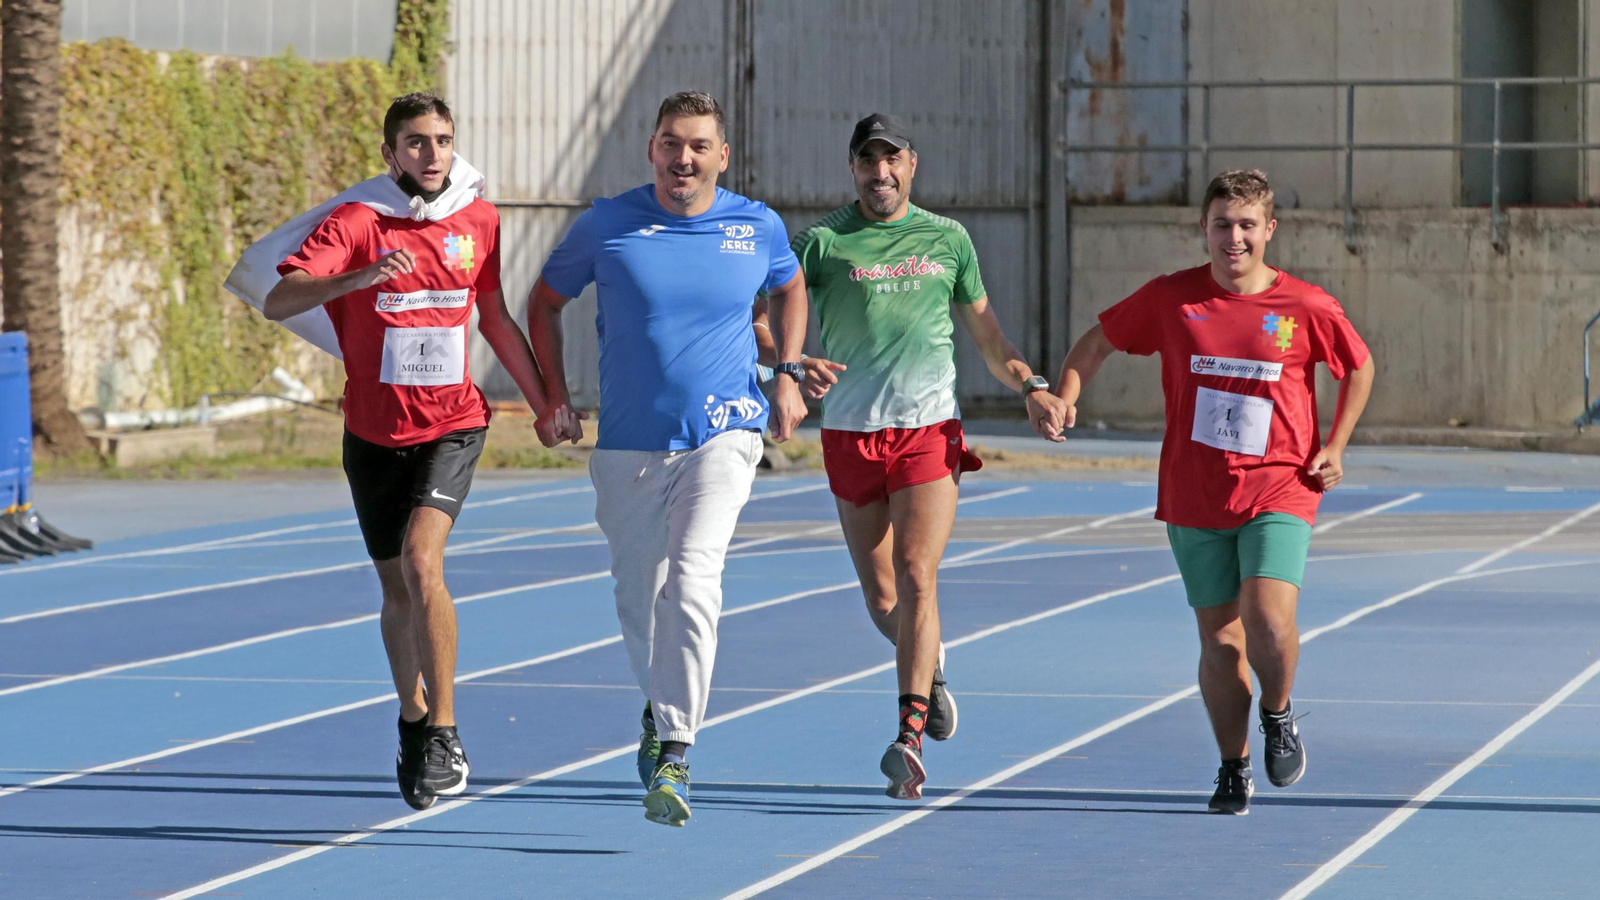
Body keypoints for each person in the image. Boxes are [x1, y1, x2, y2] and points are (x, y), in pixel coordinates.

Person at [263, 92, 572, 810]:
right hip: (372, 434)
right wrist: (356, 278)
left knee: (421, 562)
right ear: (389, 153)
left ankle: (446, 731)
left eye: (442, 140)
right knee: (395, 591)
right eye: (416, 143)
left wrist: (544, 403)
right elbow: (281, 301)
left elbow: (491, 317)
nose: (432, 155)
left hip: (453, 424)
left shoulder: (477, 215)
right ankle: (411, 715)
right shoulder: (359, 220)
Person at [1049, 169, 1375, 815]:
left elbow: (1358, 366)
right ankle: (1234, 766)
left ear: (1269, 231)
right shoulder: (1171, 299)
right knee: (1221, 644)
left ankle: (1278, 714)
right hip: (1194, 494)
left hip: (1280, 486)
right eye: (1222, 225)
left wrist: (1335, 445)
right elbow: (1095, 344)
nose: (1234, 238)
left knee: (1266, 616)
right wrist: (1065, 395)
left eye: (1247, 225)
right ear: (1203, 229)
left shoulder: (1305, 307)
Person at [762, 113, 1067, 801]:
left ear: (911, 165)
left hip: (927, 430)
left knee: (917, 575)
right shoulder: (821, 243)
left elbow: (989, 337)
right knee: (882, 597)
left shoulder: (948, 239)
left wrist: (1033, 385)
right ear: (853, 169)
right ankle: (931, 667)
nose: (880, 173)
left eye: (891, 160)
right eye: (868, 161)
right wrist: (788, 363)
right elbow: (766, 315)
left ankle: (908, 735)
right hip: (849, 434)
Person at [527, 91, 808, 827]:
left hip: (724, 433)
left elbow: (791, 286)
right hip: (627, 444)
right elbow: (542, 302)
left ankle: (678, 751)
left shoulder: (757, 225)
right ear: (652, 148)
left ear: (722, 155)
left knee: (693, 579)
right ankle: (660, 712)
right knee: (639, 602)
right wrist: (552, 394)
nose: (684, 159)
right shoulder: (608, 224)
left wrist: (789, 372)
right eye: (670, 144)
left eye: (698, 146)